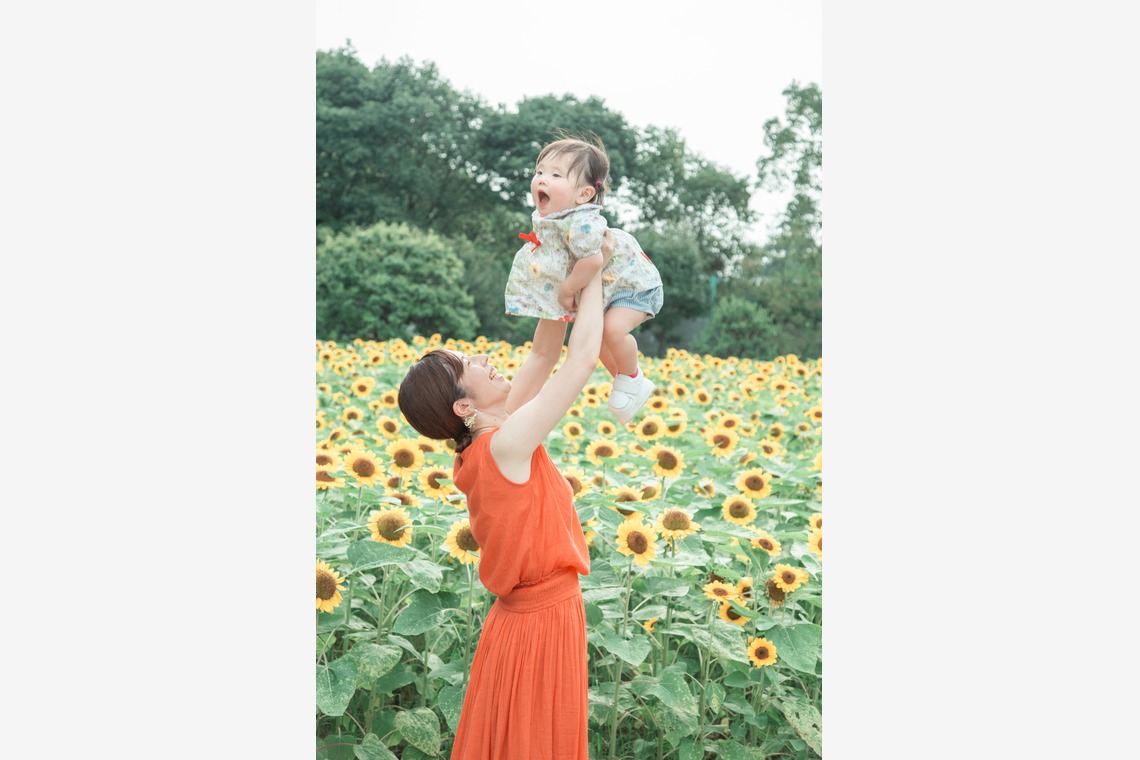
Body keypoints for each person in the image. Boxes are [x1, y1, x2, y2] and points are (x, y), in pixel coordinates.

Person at [396, 233, 614, 760]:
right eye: (463, 365)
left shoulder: (490, 439)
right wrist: (596, 271)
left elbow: (545, 350)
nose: (479, 356)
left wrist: (562, 270)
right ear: (464, 407)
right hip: (540, 623)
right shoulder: (506, 445)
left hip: (530, 620)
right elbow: (580, 359)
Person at [504, 135, 663, 425]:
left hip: (633, 286)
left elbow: (592, 260)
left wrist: (567, 288)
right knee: (599, 338)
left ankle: (631, 376)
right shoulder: (555, 218)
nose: (542, 179)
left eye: (555, 175)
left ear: (584, 195)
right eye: (539, 172)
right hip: (610, 287)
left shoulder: (582, 222)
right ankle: (626, 382)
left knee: (611, 331)